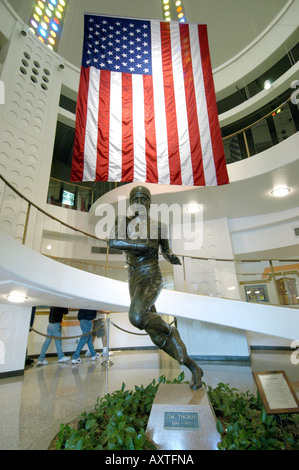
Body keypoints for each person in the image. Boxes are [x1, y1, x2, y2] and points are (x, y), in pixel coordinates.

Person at [108, 185, 203, 389]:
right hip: (134, 277)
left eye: (144, 199)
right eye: (136, 199)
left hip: (152, 274)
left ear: (150, 203)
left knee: (137, 316)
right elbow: (113, 241)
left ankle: (170, 330)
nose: (140, 203)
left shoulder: (159, 226)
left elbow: (163, 250)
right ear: (131, 203)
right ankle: (194, 368)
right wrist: (140, 246)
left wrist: (172, 257)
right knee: (154, 335)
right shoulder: (123, 222)